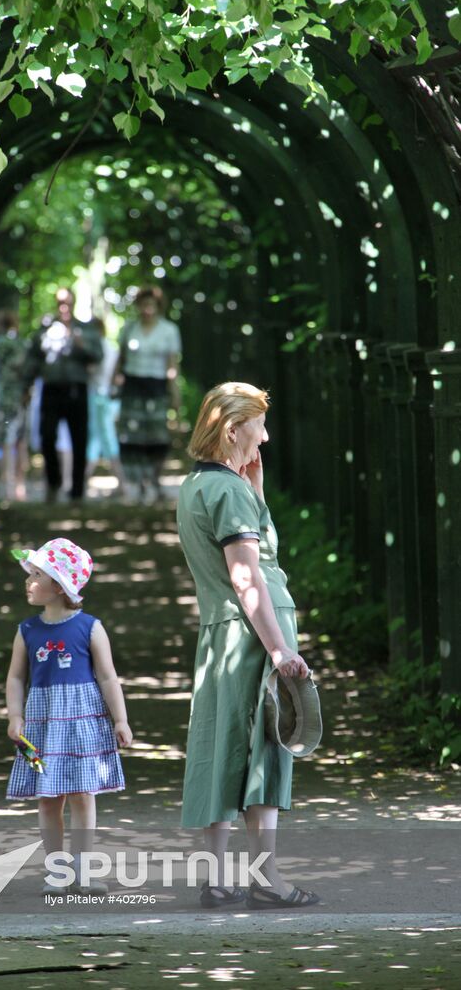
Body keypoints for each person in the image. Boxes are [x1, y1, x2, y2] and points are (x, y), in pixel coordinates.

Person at [176, 381, 319, 909]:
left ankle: (215, 879)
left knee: (218, 749)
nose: (267, 434)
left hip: (221, 635)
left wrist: (254, 488)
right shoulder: (229, 492)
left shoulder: (198, 486)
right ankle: (268, 880)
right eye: (259, 424)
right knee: (264, 752)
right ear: (232, 429)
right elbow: (247, 579)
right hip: (255, 635)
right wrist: (280, 649)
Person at [5, 537, 133, 893]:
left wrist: (119, 719)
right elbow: (16, 676)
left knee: (82, 794)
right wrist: (15, 716)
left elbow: (108, 676)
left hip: (82, 721)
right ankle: (56, 872)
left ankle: (83, 870)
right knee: (47, 798)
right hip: (41, 726)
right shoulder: (27, 630)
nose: (27, 582)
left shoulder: (89, 627)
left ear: (60, 586)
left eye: (36, 575)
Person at [24, 288, 102, 500]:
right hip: (51, 390)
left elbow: (98, 355)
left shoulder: (86, 330)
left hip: (77, 390)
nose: (64, 307)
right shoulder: (45, 329)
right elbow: (32, 359)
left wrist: (80, 345)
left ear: (73, 303)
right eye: (60, 303)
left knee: (79, 441)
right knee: (46, 437)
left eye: (67, 302)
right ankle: (53, 482)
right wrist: (26, 386)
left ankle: (77, 492)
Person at [113, 286, 181, 503]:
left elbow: (172, 366)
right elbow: (120, 360)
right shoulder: (129, 329)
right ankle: (140, 482)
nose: (147, 309)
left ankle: (155, 478)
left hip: (157, 386)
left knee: (158, 438)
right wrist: (113, 384)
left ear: (158, 306)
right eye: (143, 304)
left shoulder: (169, 330)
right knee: (132, 436)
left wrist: (175, 393)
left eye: (151, 304)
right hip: (133, 386)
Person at [0, 308, 29, 501]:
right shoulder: (19, 344)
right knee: (19, 441)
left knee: (5, 441)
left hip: (2, 397)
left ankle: (7, 485)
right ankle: (19, 486)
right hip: (19, 396)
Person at [86, 317, 125, 496]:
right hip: (107, 398)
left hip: (98, 396)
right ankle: (82, 480)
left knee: (104, 438)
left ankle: (121, 482)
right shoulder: (112, 348)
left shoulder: (96, 349)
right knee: (96, 438)